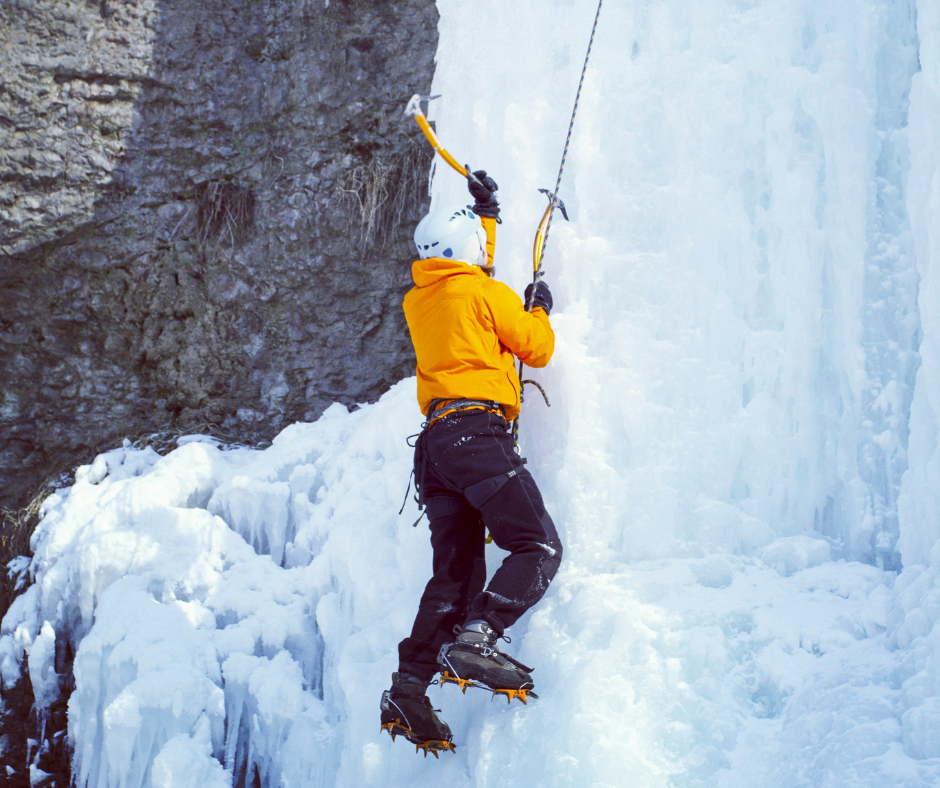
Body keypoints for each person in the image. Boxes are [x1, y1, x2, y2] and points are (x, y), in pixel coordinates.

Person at [380, 171, 563, 755]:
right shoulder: (486, 294)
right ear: (467, 253)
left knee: (455, 574)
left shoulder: (422, 298)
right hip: (478, 435)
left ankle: (409, 686)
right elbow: (535, 347)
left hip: (435, 451)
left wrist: (484, 212)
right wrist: (537, 309)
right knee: (536, 546)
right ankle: (478, 637)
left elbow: (468, 266)